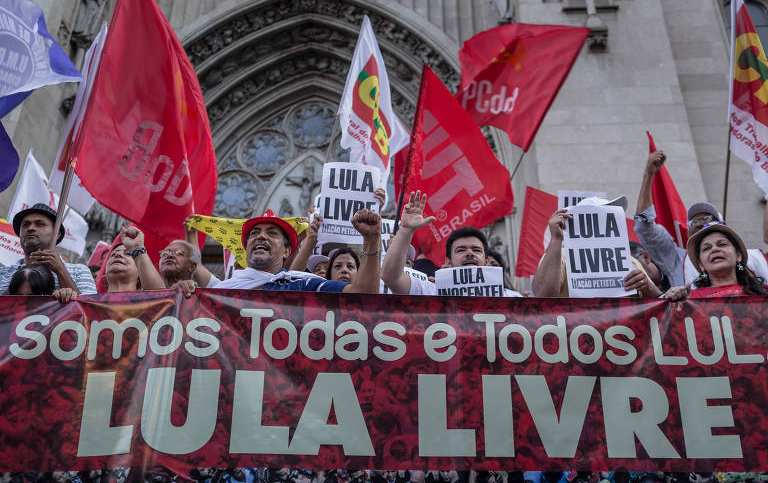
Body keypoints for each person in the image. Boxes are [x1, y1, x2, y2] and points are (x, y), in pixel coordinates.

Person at [635, 150, 768, 287]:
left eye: (706, 219)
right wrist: (648, 175)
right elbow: (644, 228)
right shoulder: (677, 260)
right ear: (699, 264)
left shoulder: (755, 259)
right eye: (693, 222)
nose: (699, 224)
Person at [203, 208, 381, 292]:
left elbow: (363, 294)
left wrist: (371, 240)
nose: (261, 236)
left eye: (272, 233)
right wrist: (181, 295)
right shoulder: (220, 292)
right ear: (246, 247)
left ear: (287, 251)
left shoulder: (302, 285)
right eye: (255, 233)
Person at [381, 191, 520, 296]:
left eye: (476, 250)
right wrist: (406, 229)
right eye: (461, 250)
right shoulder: (432, 291)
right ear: (448, 262)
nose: (470, 253)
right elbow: (391, 277)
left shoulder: (510, 298)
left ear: (487, 262)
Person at [533, 196, 660, 298]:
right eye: (604, 214)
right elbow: (543, 297)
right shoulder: (560, 256)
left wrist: (647, 286)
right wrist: (556, 240)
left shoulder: (629, 261)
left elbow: (661, 302)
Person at [0, 203, 96, 294]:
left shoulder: (79, 272)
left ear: (57, 234)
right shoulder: (2, 274)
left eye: (39, 224)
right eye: (25, 224)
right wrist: (21, 279)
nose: (30, 228)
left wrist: (60, 270)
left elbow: (87, 310)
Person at [665, 222, 768, 299]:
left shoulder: (764, 292)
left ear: (738, 256)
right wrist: (670, 302)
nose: (714, 249)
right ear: (701, 265)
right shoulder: (690, 299)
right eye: (706, 248)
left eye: (722, 244)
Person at [103, 227, 165, 292]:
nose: (118, 254)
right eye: (113, 254)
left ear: (140, 276)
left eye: (127, 254)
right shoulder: (92, 300)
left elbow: (161, 296)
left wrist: (137, 248)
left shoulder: (147, 301)